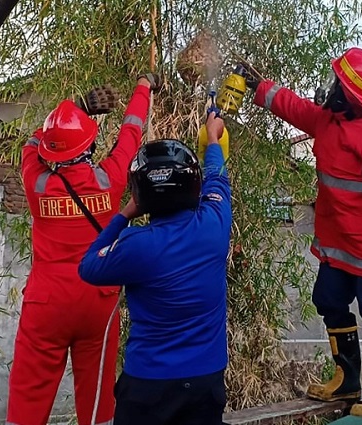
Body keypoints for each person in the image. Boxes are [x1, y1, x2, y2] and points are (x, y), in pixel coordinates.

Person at [243, 47, 362, 420]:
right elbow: (295, 107)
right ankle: (348, 378)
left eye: (336, 79)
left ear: (349, 92)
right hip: (337, 248)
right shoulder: (329, 121)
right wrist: (260, 88)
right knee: (328, 301)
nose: (329, 84)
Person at [6, 73, 161, 425]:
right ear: (90, 147)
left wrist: (74, 107)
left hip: (45, 302)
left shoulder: (37, 184)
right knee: (97, 397)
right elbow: (131, 132)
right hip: (97, 297)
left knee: (29, 393)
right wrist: (142, 85)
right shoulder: (110, 180)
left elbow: (32, 144)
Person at [78, 112, 232, 425]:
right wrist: (213, 139)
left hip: (148, 386)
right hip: (205, 383)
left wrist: (124, 214)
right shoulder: (214, 224)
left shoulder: (135, 245)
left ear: (139, 193)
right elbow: (216, 175)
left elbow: (89, 266)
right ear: (192, 186)